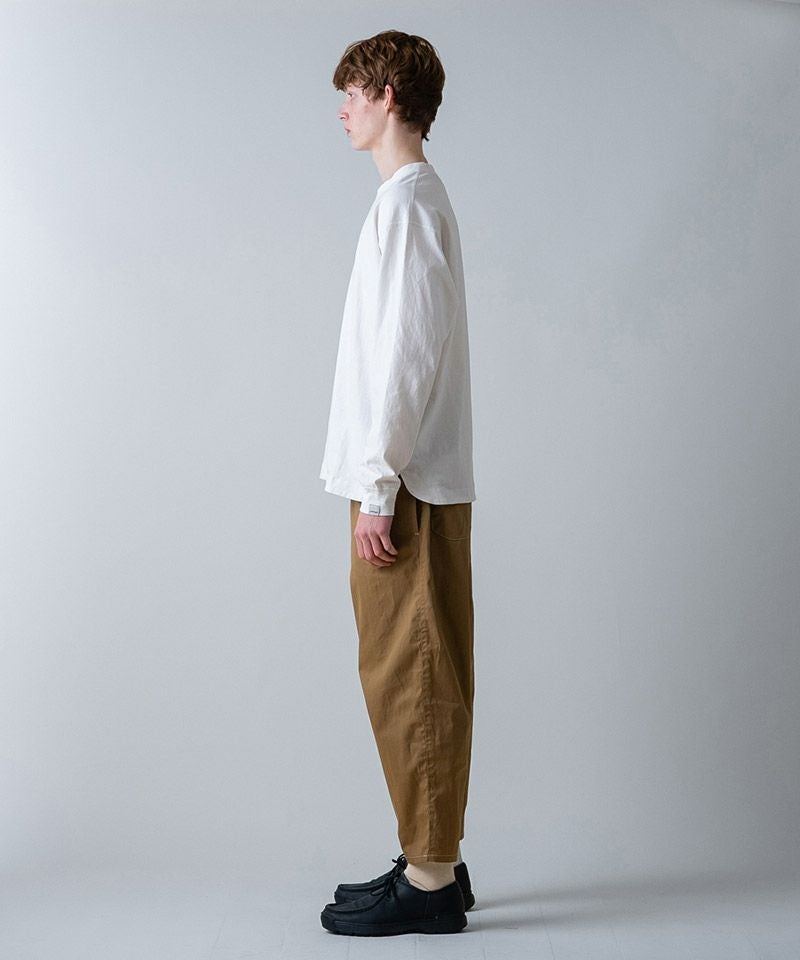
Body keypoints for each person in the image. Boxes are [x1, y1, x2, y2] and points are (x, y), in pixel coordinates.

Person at [318, 29, 477, 937]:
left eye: (352, 92)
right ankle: (434, 856)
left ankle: (429, 880)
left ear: (387, 95)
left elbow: (406, 356)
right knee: (417, 670)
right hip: (404, 475)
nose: (342, 109)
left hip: (403, 483)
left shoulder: (409, 203)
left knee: (409, 674)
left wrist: (377, 489)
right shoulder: (408, 200)